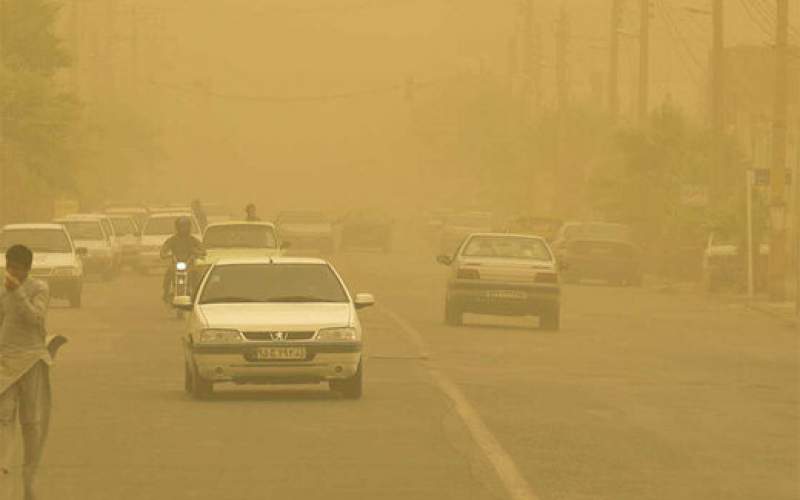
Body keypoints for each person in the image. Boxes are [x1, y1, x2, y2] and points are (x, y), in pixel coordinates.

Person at [0, 245, 53, 500]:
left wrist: (18, 292)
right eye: (9, 266)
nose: (12, 272)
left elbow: (36, 319)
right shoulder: (2, 290)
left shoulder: (39, 288)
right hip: (6, 363)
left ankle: (29, 478)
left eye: (17, 268)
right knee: (3, 419)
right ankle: (4, 477)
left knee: (31, 423)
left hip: (32, 361)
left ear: (27, 269)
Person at [160, 217, 205, 303]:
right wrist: (164, 254)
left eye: (186, 226)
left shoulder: (192, 240)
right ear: (177, 227)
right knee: (168, 274)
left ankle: (197, 294)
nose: (184, 228)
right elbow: (164, 249)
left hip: (190, 265)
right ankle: (166, 293)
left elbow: (203, 250)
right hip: (176, 265)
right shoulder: (173, 240)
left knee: (197, 276)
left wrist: (197, 252)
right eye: (182, 226)